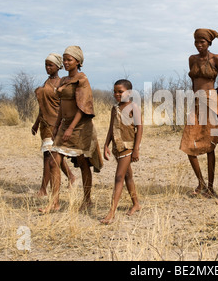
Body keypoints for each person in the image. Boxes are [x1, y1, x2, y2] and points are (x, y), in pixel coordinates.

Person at [39, 46, 103, 213]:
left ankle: (87, 199)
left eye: (69, 60)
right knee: (54, 161)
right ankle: (55, 202)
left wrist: (71, 128)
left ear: (78, 62)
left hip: (80, 126)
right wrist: (58, 126)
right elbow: (61, 106)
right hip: (65, 126)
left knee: (83, 163)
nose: (66, 62)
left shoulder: (82, 80)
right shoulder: (63, 81)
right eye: (65, 59)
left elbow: (83, 107)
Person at [180, 28, 218, 198]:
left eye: (202, 42)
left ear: (209, 43)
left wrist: (211, 96)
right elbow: (193, 82)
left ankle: (211, 187)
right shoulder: (192, 59)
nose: (199, 45)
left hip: (211, 102)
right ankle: (201, 182)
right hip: (196, 103)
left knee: (210, 147)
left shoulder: (216, 59)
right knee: (188, 144)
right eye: (196, 42)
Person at [32, 53, 75, 197]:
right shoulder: (46, 83)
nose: (47, 68)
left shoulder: (61, 83)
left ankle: (43, 189)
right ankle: (71, 177)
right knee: (53, 155)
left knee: (49, 157)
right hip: (45, 125)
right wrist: (36, 124)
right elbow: (42, 107)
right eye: (46, 65)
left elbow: (65, 105)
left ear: (58, 66)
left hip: (56, 124)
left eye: (50, 65)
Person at [101, 79, 143, 224]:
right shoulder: (115, 108)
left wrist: (136, 149)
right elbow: (111, 128)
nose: (117, 94)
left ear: (129, 93)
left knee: (119, 177)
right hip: (117, 147)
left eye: (120, 91)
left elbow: (139, 128)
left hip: (128, 146)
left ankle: (111, 212)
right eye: (115, 91)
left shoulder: (133, 107)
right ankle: (136, 204)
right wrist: (106, 145)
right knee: (127, 176)